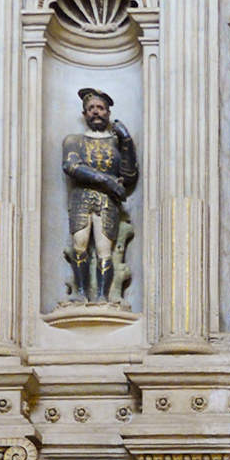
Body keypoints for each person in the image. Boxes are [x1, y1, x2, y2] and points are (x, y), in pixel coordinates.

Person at [62, 88, 138, 303]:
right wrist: (106, 180)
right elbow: (72, 165)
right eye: (91, 108)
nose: (96, 112)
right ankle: (81, 293)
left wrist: (127, 141)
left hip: (107, 201)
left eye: (100, 108)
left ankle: (103, 296)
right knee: (80, 243)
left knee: (104, 249)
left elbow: (129, 175)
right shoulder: (74, 140)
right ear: (84, 113)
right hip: (82, 198)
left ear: (108, 113)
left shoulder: (116, 143)